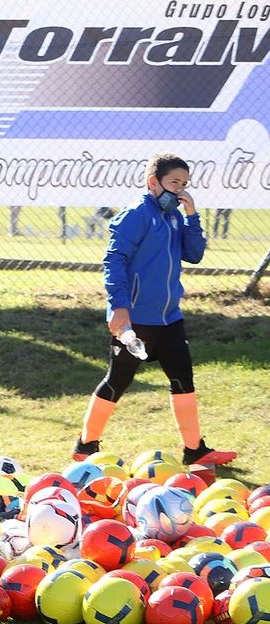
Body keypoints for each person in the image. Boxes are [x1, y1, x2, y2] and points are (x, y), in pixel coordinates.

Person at [74, 153, 235, 468]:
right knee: (117, 381)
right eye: (174, 183)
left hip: (169, 318)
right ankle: (85, 445)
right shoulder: (136, 215)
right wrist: (120, 309)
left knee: (183, 379)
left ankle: (195, 450)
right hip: (135, 320)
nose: (179, 190)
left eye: (184, 184)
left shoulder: (174, 216)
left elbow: (194, 254)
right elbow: (114, 261)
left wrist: (191, 215)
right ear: (153, 182)